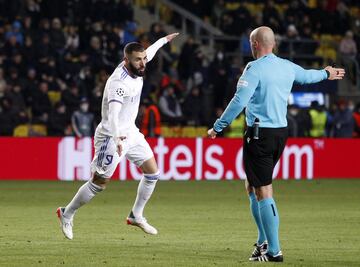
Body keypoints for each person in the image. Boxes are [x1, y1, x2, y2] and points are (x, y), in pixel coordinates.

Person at [207, 26, 345, 262]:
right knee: (252, 185)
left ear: (256, 45)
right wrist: (325, 73)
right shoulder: (286, 66)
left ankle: (274, 250)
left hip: (259, 134)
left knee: (263, 189)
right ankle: (262, 241)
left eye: (251, 42)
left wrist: (218, 126)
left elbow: (239, 100)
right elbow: (308, 76)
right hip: (280, 132)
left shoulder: (254, 68)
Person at [57, 32, 179, 240]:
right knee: (99, 183)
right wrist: (116, 139)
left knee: (152, 173)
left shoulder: (139, 63)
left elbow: (151, 51)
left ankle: (136, 215)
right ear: (126, 60)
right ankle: (66, 213)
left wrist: (164, 40)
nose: (142, 63)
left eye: (143, 59)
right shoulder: (118, 84)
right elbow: (113, 115)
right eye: (138, 60)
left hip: (131, 132)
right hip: (111, 136)